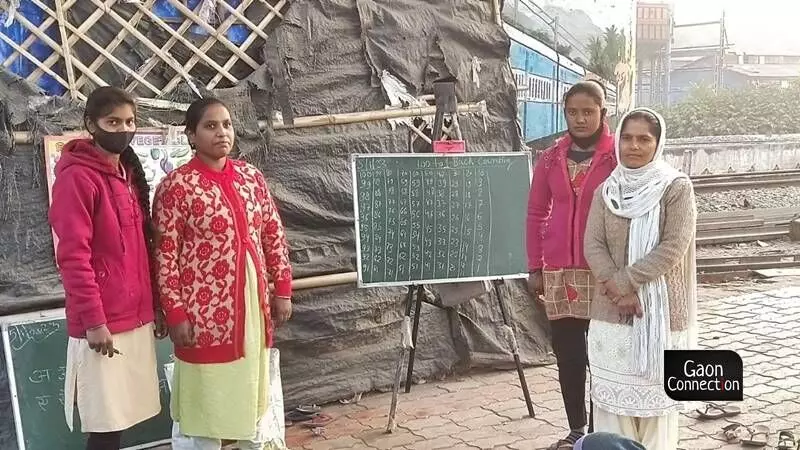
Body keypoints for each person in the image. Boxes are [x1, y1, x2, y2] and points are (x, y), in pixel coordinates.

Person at [153, 97, 293, 449]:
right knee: (207, 406)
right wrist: (176, 312)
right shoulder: (176, 187)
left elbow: (272, 234)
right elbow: (165, 255)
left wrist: (283, 288)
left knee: (250, 398)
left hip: (253, 312)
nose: (221, 133)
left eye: (227, 125)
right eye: (210, 126)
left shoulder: (251, 178)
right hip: (204, 317)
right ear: (191, 135)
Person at [49, 86, 164, 450]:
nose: (123, 129)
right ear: (91, 124)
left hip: (133, 316)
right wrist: (95, 322)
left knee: (122, 416)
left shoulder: (127, 175)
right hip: (102, 322)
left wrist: (155, 306)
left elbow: (141, 251)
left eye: (130, 122)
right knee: (104, 425)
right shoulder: (77, 178)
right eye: (113, 121)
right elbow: (73, 257)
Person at [583, 107, 697, 450]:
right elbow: (593, 243)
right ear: (618, 142)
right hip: (610, 315)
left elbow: (674, 246)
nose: (634, 146)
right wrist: (617, 288)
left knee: (656, 409)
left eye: (644, 139)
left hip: (661, 315)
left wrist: (626, 283)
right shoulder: (607, 189)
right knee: (612, 411)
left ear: (657, 143)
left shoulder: (676, 187)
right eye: (627, 138)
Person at [526, 80, 616, 449]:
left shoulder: (618, 156)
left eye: (588, 112)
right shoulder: (549, 158)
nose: (580, 119)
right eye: (573, 112)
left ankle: (600, 431)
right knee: (569, 354)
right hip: (559, 272)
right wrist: (535, 267)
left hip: (602, 271)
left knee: (603, 354)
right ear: (564, 113)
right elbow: (535, 212)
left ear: (602, 113)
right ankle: (577, 429)